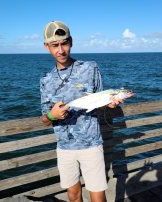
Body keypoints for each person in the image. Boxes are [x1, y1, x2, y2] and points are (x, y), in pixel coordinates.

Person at [40, 21, 122, 202]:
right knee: (73, 195)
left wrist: (110, 103)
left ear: (71, 42)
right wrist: (52, 115)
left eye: (64, 43)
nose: (61, 50)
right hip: (64, 147)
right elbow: (45, 120)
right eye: (55, 45)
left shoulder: (90, 68)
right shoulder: (46, 80)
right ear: (47, 47)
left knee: (98, 194)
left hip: (92, 144)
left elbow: (101, 100)